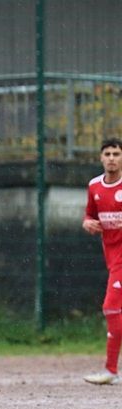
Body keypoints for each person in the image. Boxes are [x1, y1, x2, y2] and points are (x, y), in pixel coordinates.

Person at [82, 137, 122, 385]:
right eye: (107, 154)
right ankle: (111, 370)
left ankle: (111, 370)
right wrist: (87, 223)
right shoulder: (94, 186)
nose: (111, 158)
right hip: (112, 257)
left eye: (116, 154)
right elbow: (89, 215)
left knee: (111, 307)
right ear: (101, 158)